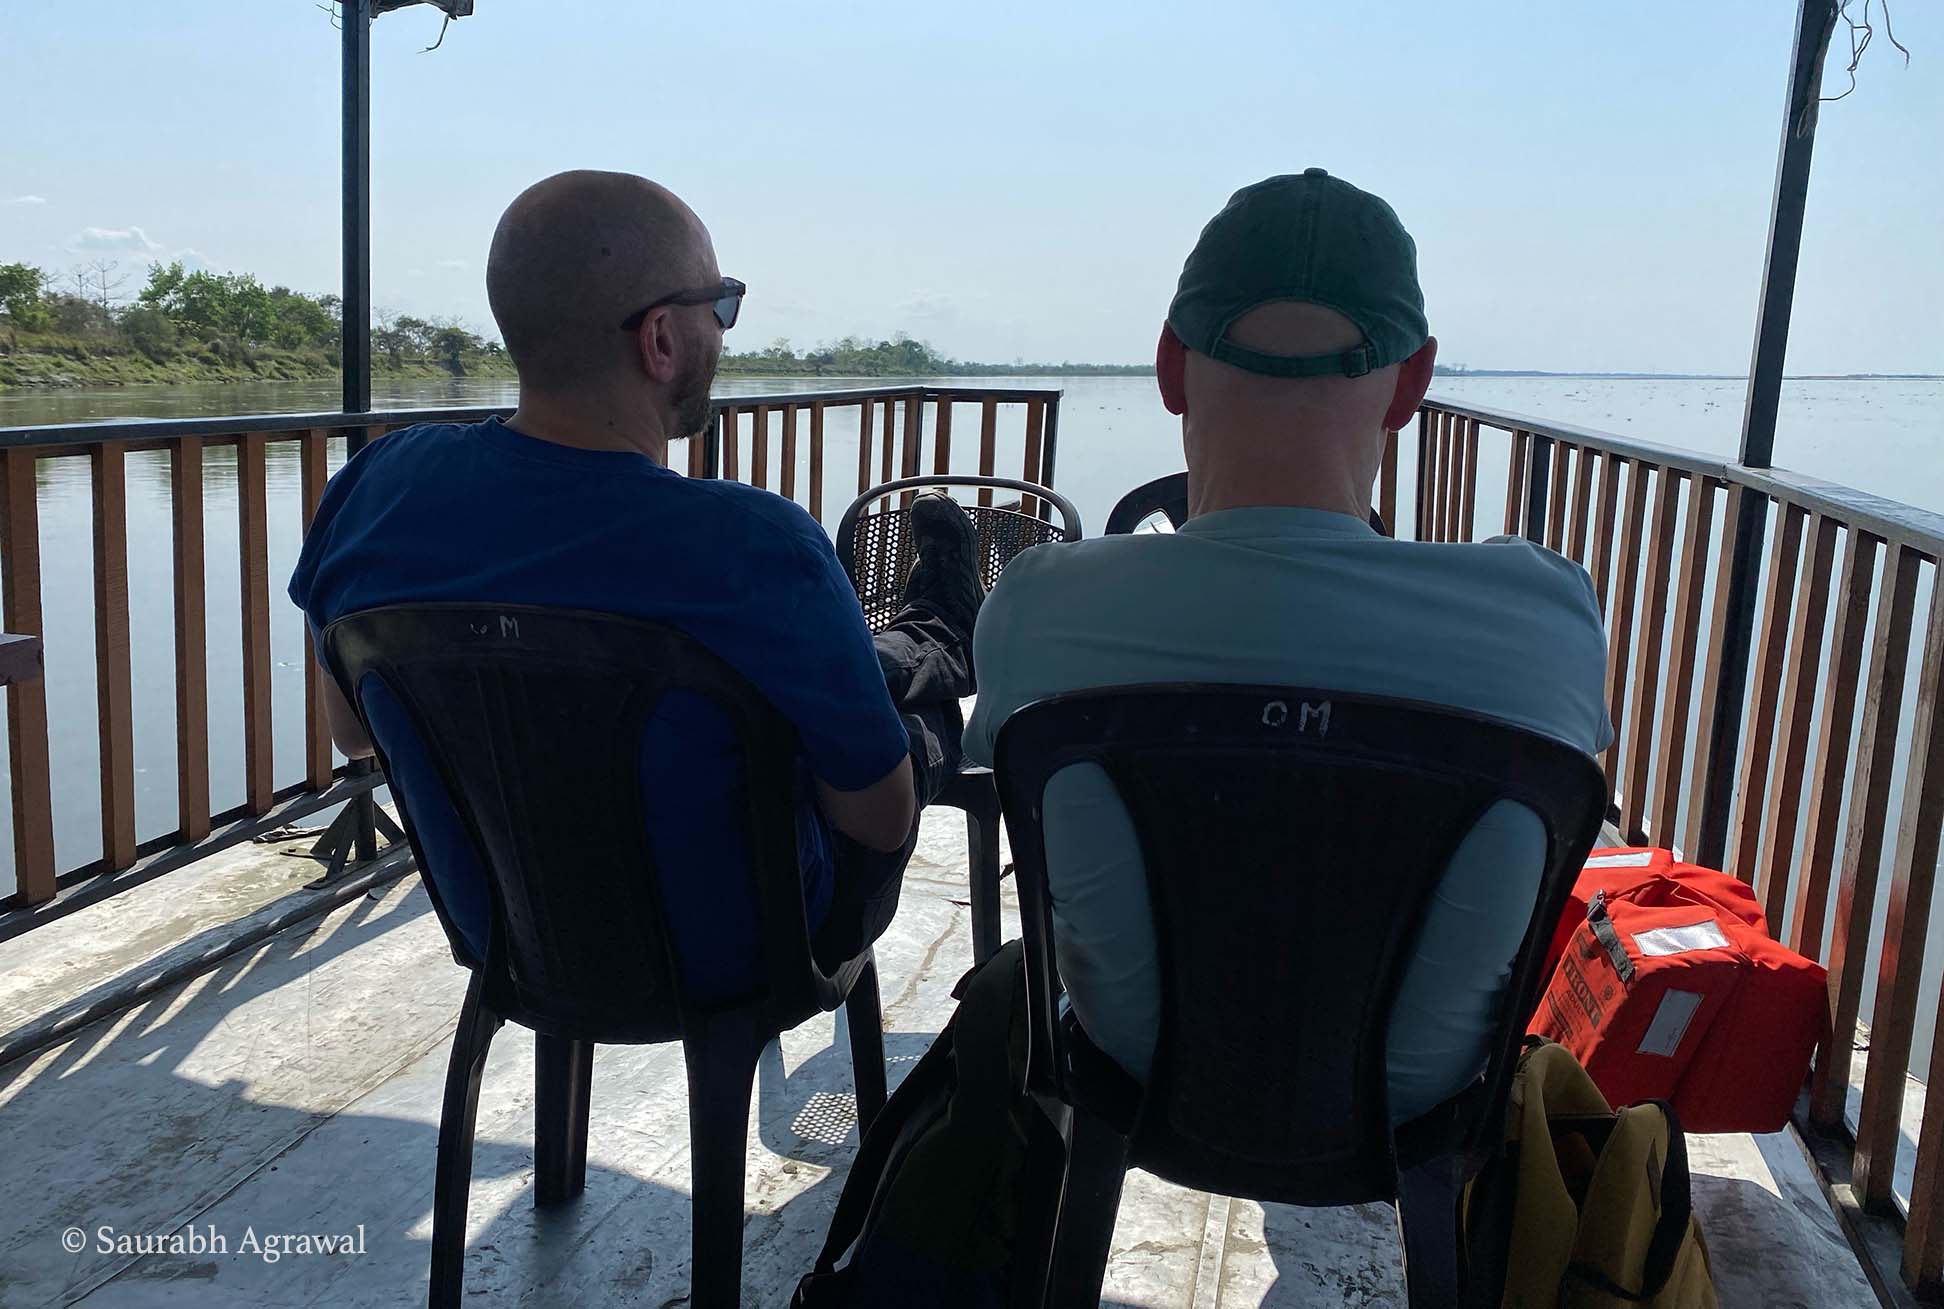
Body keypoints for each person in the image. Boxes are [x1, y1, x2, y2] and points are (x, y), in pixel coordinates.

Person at [964, 169, 1612, 1123]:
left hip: (1135, 1064)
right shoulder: (1547, 618)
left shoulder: (1041, 604)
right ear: (1413, 384)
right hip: (1414, 1097)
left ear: (1171, 368)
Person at [290, 170, 985, 999]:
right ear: (659, 338)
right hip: (747, 954)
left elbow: (352, 733)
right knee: (904, 723)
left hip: (511, 942)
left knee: (831, 676)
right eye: (720, 306)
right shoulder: (757, 546)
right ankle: (942, 636)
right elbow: (880, 820)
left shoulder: (371, 493)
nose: (725, 330)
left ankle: (919, 637)